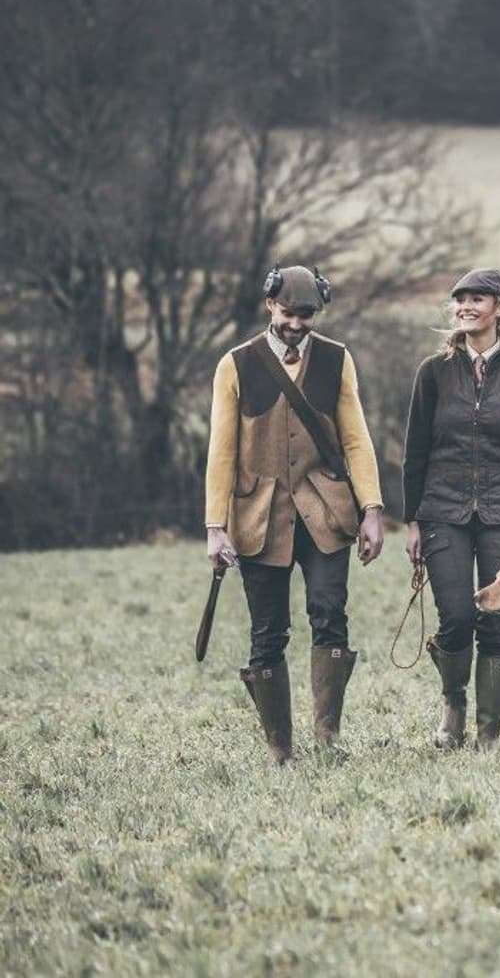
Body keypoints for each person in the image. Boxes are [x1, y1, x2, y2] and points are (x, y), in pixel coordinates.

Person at [204, 264, 385, 765]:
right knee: (267, 632)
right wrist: (216, 527)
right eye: (288, 313)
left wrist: (372, 510)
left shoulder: (336, 359)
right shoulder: (235, 365)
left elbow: (356, 438)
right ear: (270, 306)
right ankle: (278, 750)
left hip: (326, 515)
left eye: (307, 314)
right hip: (257, 519)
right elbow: (221, 450)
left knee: (331, 617)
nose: (297, 324)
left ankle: (328, 740)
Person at [402, 267, 500, 750]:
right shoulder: (433, 373)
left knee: (496, 623)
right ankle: (453, 706)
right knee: (457, 618)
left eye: (477, 299)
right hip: (443, 512)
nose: (466, 306)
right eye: (459, 299)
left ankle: (489, 734)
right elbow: (415, 451)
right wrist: (412, 520)